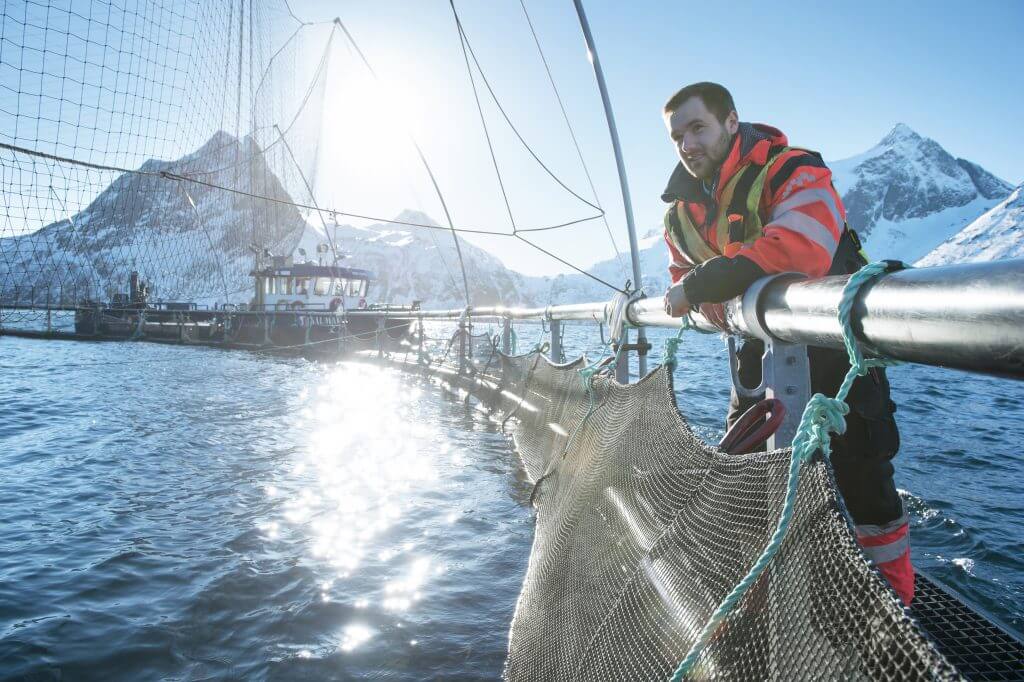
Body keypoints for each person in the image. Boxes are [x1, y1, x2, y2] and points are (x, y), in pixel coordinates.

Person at [659, 82, 913, 605]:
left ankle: (893, 613)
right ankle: (761, 599)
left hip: (838, 345)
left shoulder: (793, 169)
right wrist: (711, 294)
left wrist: (707, 287)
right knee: (747, 476)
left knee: (864, 476)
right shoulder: (679, 213)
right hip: (756, 348)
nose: (687, 143)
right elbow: (681, 276)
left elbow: (803, 248)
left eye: (697, 127)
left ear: (732, 122)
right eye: (677, 135)